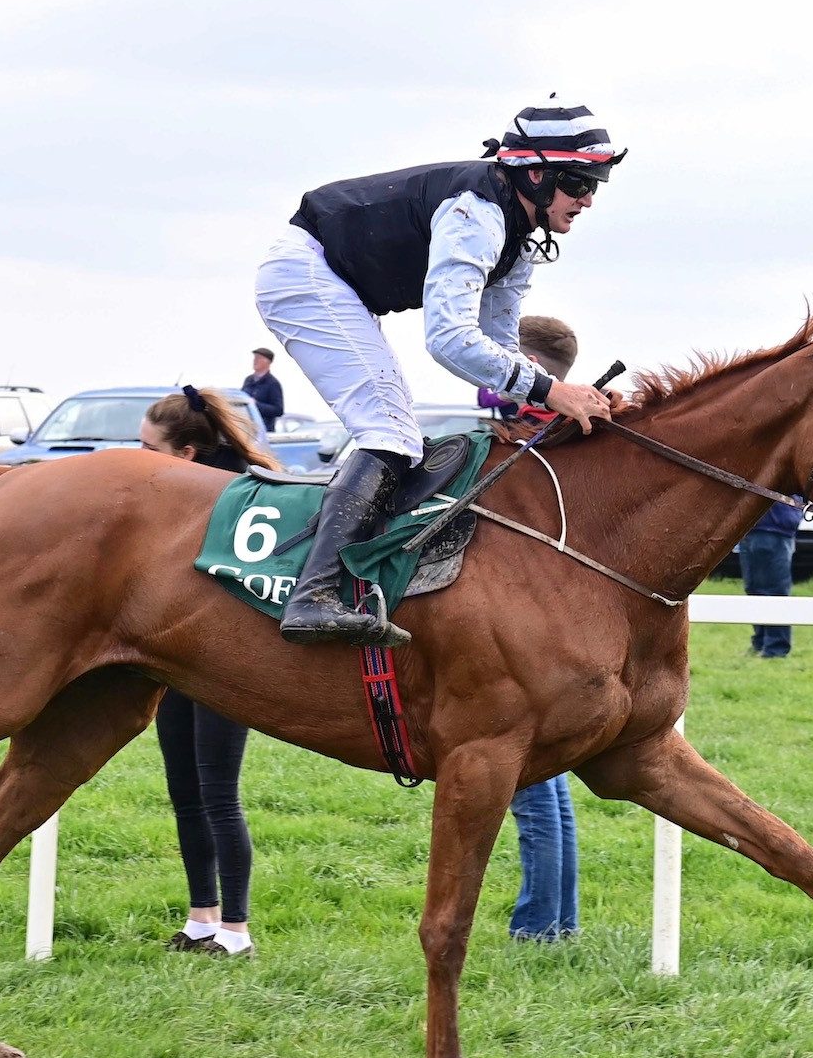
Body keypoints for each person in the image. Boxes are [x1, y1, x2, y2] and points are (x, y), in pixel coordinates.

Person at [256, 96, 621, 647]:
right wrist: (552, 389)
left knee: (399, 431)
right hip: (306, 274)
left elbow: (497, 347)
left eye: (597, 184)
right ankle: (314, 595)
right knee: (391, 433)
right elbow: (449, 340)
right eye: (579, 183)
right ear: (538, 174)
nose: (589, 200)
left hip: (340, 284)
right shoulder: (477, 213)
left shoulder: (518, 239)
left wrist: (555, 399)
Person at [137, 386, 280, 958]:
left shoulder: (242, 496)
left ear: (189, 453)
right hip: (175, 657)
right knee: (185, 790)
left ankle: (237, 931)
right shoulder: (171, 495)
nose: (138, 453)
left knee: (219, 793)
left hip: (226, 663)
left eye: (149, 446)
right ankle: (202, 919)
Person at [488, 316, 583, 941]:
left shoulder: (537, 431)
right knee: (550, 796)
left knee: (531, 796)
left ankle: (539, 929)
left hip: (528, 630)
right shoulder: (560, 433)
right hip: (554, 625)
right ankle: (556, 923)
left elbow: (488, 390)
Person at [742, 501, 802, 658]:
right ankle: (760, 642)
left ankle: (776, 648)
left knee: (775, 592)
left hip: (775, 528)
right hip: (750, 528)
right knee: (754, 589)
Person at [241, 347, 283, 432]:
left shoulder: (273, 383)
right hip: (247, 430)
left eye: (259, 358)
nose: (255, 360)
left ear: (268, 362)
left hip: (263, 433)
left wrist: (256, 404)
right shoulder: (248, 380)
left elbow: (278, 410)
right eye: (255, 357)